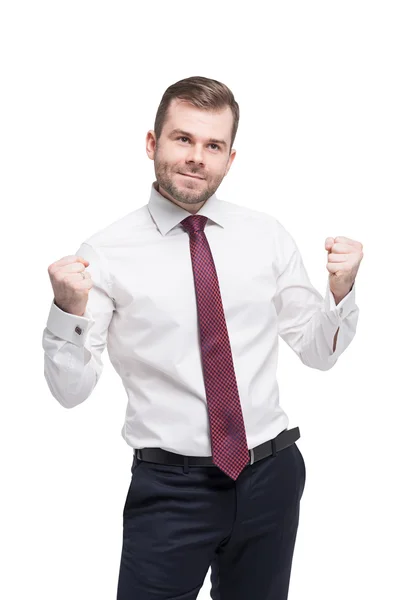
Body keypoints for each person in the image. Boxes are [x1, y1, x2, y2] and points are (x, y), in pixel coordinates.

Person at [42, 75, 363, 600]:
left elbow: (316, 350)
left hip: (272, 477)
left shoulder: (266, 234)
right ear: (153, 143)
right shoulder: (105, 252)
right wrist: (66, 309)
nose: (196, 157)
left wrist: (342, 291)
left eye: (212, 145)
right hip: (171, 492)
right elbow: (69, 392)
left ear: (229, 159)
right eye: (183, 139)